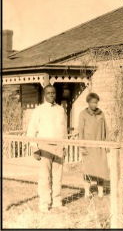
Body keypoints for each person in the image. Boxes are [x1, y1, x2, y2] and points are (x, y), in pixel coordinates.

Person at [27, 84, 68, 213]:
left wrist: (65, 146)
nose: (51, 95)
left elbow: (63, 129)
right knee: (45, 177)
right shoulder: (38, 110)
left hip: (58, 146)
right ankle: (44, 204)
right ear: (44, 95)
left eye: (53, 93)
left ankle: (57, 202)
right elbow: (31, 130)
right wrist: (34, 147)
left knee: (58, 176)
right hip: (44, 146)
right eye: (49, 93)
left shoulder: (60, 110)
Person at [78, 92, 109, 199]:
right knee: (88, 169)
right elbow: (81, 131)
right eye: (92, 102)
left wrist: (106, 144)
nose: (94, 105)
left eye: (96, 102)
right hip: (88, 147)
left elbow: (105, 129)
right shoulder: (83, 114)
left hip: (100, 146)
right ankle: (87, 192)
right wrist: (82, 147)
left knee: (101, 170)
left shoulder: (101, 113)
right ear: (88, 102)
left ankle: (100, 192)